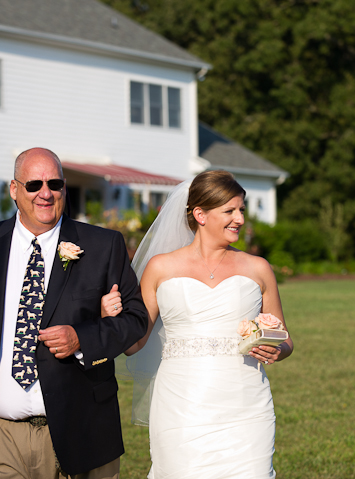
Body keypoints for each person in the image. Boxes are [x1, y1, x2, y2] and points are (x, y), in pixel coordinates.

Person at [0, 148, 149, 478]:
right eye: (34, 184)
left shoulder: (103, 245)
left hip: (80, 429)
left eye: (55, 183)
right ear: (14, 189)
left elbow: (136, 319)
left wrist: (82, 338)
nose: (46, 193)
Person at [112, 170, 294, 478]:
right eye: (229, 211)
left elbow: (286, 339)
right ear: (200, 214)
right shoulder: (160, 268)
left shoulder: (258, 268)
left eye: (241, 210)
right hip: (182, 405)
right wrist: (112, 314)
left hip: (246, 404)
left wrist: (278, 349)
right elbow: (134, 344)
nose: (239, 218)